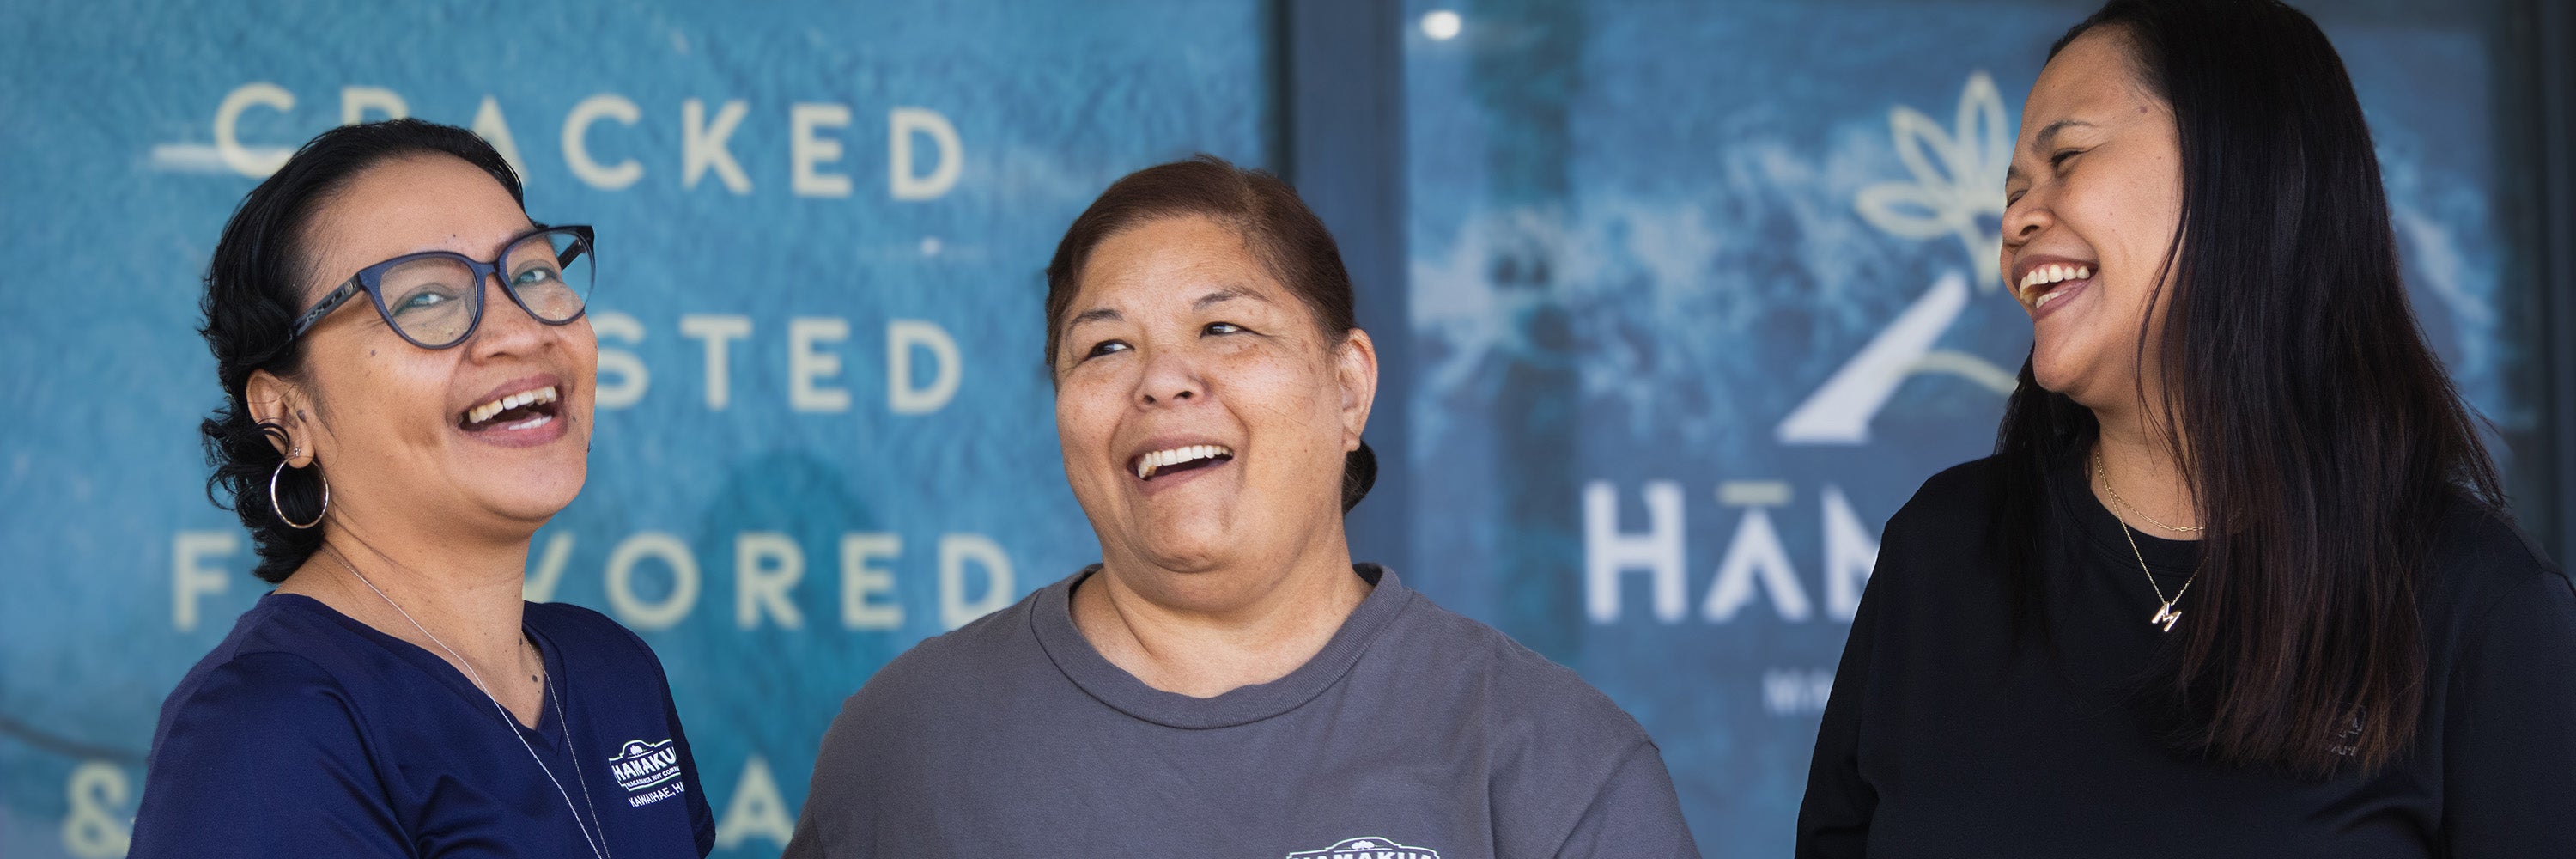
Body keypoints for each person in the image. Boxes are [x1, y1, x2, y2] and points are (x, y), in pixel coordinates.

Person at [1795, 0, 2576, 855]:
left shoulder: (2477, 607)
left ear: (2239, 168)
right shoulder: (1942, 553)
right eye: (2014, 192)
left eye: (2066, 158)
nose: (2015, 222)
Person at [784, 155, 1701, 858]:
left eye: (1224, 328)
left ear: (1347, 387)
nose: (1162, 381)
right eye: (1104, 347)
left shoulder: (1551, 760)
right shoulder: (909, 740)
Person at [130, 119, 714, 858]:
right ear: (287, 415)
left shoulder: (612, 669)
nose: (520, 330)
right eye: (426, 299)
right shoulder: (268, 724)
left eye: (533, 273)